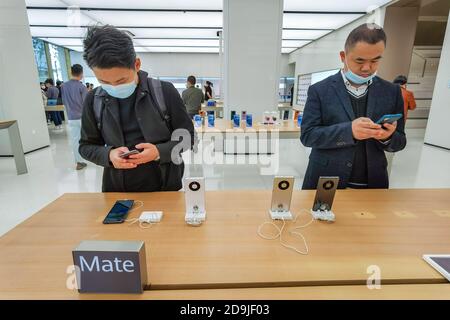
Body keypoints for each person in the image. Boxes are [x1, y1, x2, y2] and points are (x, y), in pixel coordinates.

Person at [79, 25, 195, 192]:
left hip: (165, 186)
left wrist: (158, 152)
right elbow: (86, 146)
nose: (113, 87)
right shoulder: (93, 99)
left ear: (137, 64)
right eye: (104, 82)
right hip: (117, 189)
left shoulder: (164, 91)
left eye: (121, 81)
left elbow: (188, 137)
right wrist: (109, 155)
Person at [300, 23, 406, 190]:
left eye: (375, 60)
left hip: (373, 183)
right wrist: (349, 131)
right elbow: (308, 136)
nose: (367, 68)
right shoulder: (320, 90)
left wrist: (386, 137)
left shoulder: (391, 92)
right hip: (326, 179)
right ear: (343, 56)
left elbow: (400, 142)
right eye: (359, 60)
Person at [61, 64, 89, 170]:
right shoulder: (82, 87)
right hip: (82, 117)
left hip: (71, 117)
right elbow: (86, 104)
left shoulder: (64, 86)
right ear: (81, 74)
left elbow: (64, 101)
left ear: (71, 72)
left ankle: (79, 162)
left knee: (75, 140)